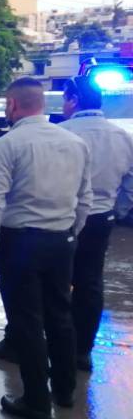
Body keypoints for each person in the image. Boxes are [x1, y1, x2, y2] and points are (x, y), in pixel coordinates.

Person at [0, 77, 92, 419]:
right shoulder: (76, 143)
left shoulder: (7, 145)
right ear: (43, 104)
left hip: (19, 244)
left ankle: (36, 403)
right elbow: (84, 199)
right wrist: (70, 234)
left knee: (27, 323)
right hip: (61, 242)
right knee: (60, 317)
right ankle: (65, 391)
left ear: (12, 105)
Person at [60, 77, 133, 372]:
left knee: (56, 285)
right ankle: (82, 352)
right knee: (90, 283)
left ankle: (58, 349)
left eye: (65, 99)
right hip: (101, 221)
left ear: (74, 101)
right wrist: (117, 211)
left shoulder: (59, 134)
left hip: (62, 221)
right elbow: (130, 185)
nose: (63, 105)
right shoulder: (123, 137)